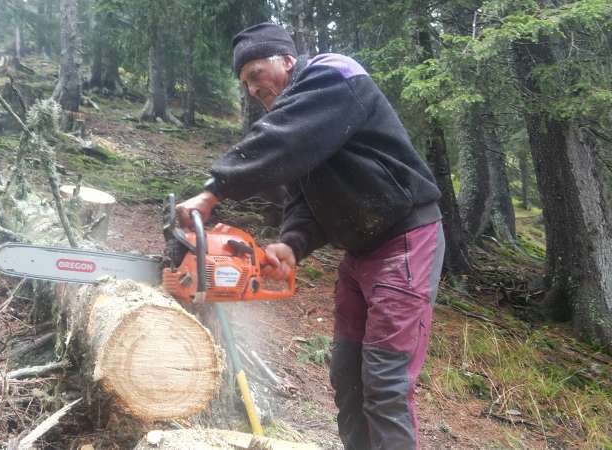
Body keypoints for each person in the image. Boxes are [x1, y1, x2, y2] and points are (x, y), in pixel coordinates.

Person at [177, 22, 446, 449]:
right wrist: (292, 243)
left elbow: (283, 140)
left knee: (385, 381)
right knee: (347, 375)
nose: (251, 90)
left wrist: (214, 191)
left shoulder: (334, 73)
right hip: (361, 253)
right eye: (244, 84)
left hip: (404, 240)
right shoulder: (308, 126)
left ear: (286, 60)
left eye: (254, 76)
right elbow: (305, 196)